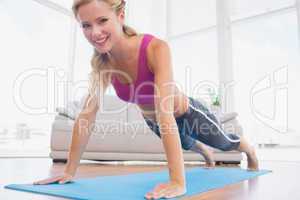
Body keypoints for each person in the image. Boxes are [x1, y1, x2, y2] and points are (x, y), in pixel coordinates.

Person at [34, 0, 259, 199]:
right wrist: (69, 171)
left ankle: (250, 150)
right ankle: (204, 152)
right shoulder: (102, 64)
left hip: (185, 112)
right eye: (86, 25)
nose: (95, 32)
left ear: (120, 15)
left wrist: (178, 182)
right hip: (154, 121)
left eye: (102, 20)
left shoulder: (155, 48)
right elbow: (87, 115)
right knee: (187, 144)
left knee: (224, 144)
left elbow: (164, 110)